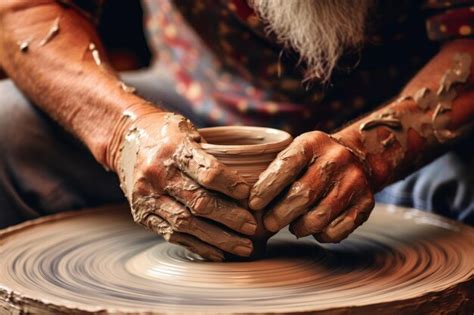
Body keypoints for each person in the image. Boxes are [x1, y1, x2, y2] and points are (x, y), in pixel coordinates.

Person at [0, 0, 473, 261]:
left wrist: (375, 152)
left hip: (400, 112)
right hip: (195, 104)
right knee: (9, 128)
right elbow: (23, 10)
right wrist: (127, 133)